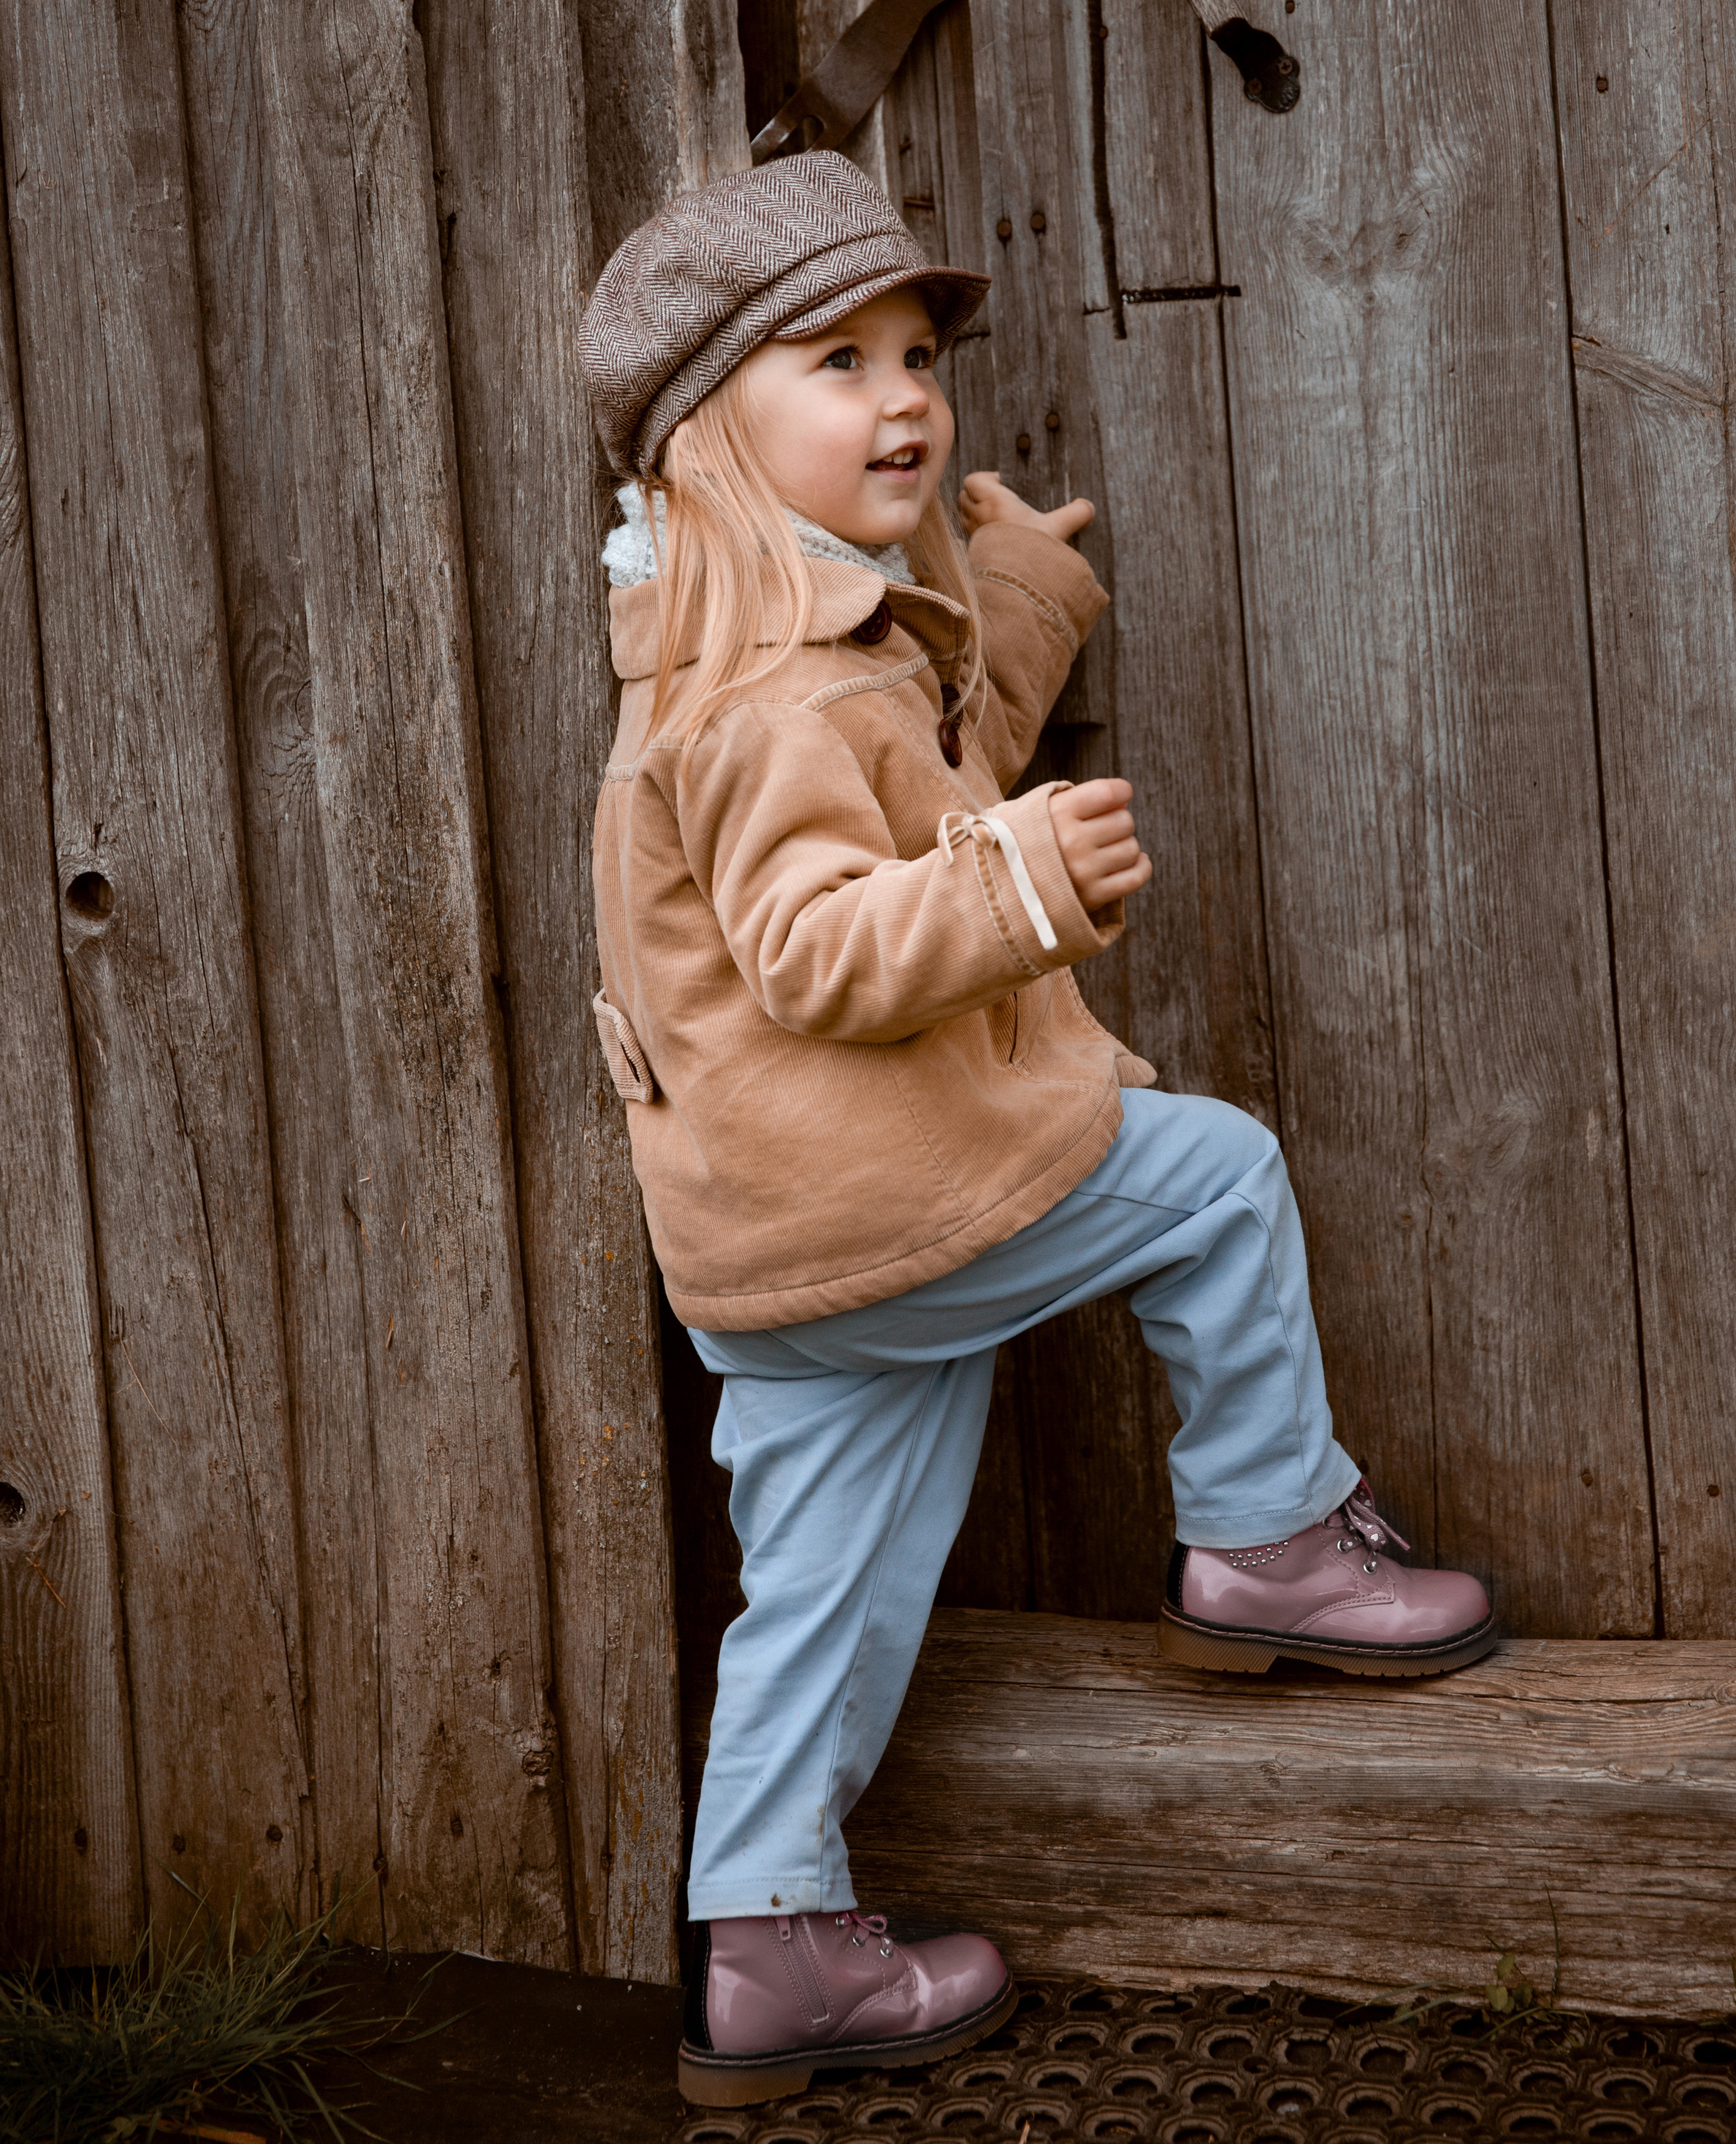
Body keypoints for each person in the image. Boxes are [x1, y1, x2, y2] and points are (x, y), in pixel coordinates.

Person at [578, 151, 1496, 2110]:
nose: (905, 391)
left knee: (821, 1582)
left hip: (785, 1253)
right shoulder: (765, 710)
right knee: (1213, 1178)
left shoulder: (764, 674)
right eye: (837, 357)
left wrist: (1013, 602)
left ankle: (772, 1948)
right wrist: (1012, 887)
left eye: (916, 351)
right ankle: (1265, 1536)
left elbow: (926, 772)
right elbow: (824, 948)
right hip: (890, 1198)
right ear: (712, 447)